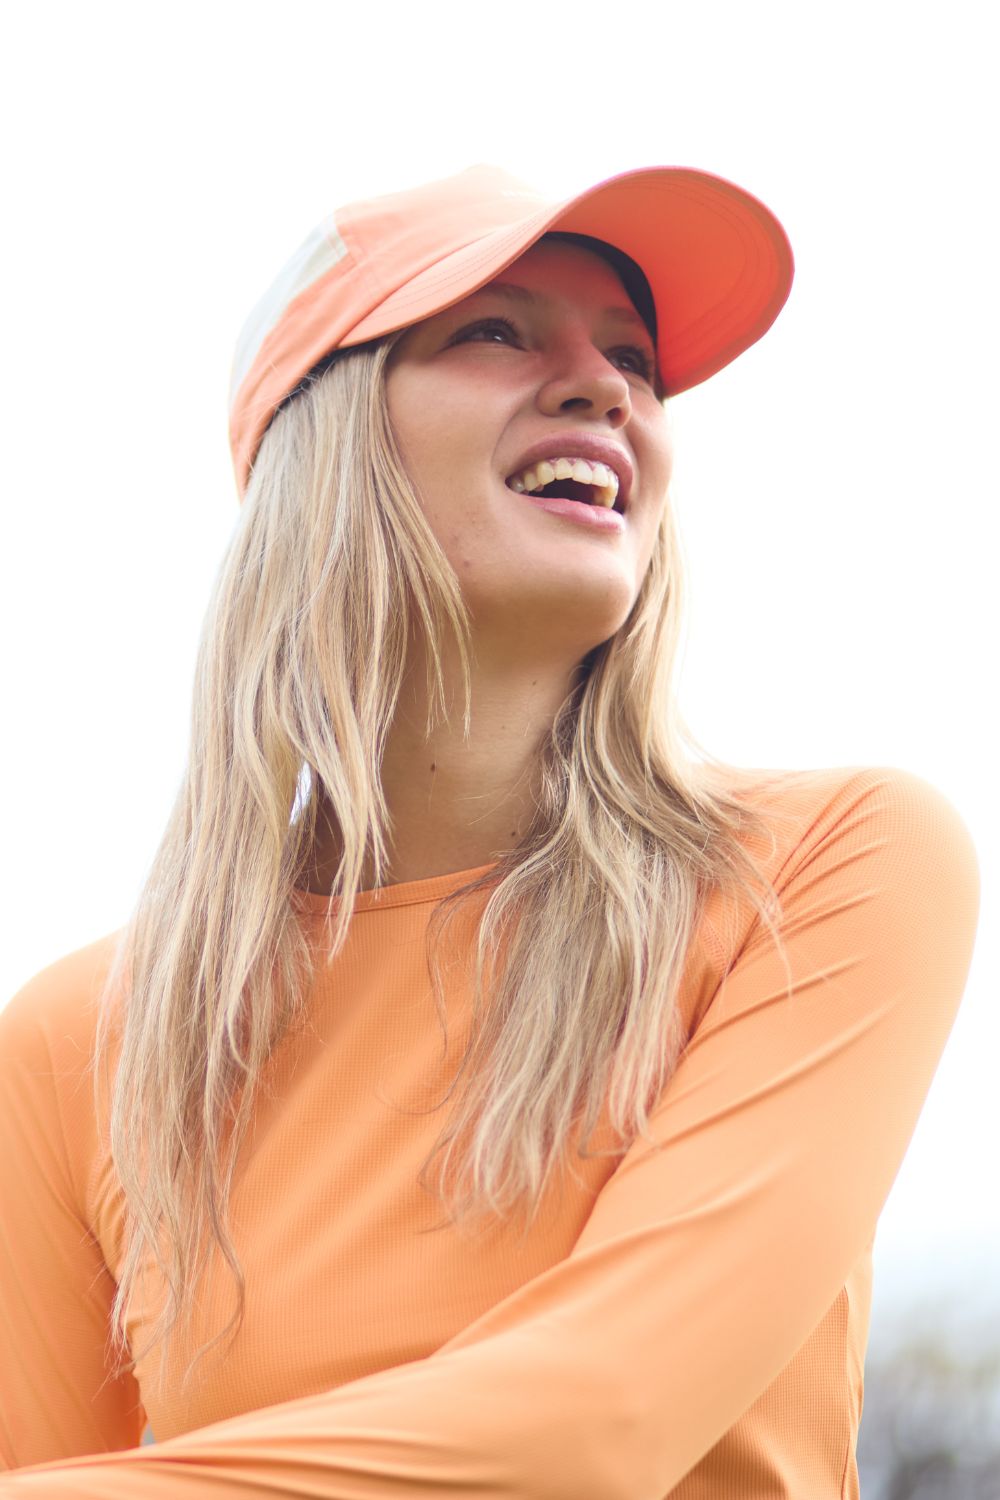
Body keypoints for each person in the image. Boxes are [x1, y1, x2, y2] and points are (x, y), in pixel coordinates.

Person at [0, 163, 980, 1499]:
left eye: (631, 356)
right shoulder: (79, 1043)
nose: (607, 388)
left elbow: (598, 1425)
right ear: (324, 450)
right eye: (497, 329)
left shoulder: (832, 865)